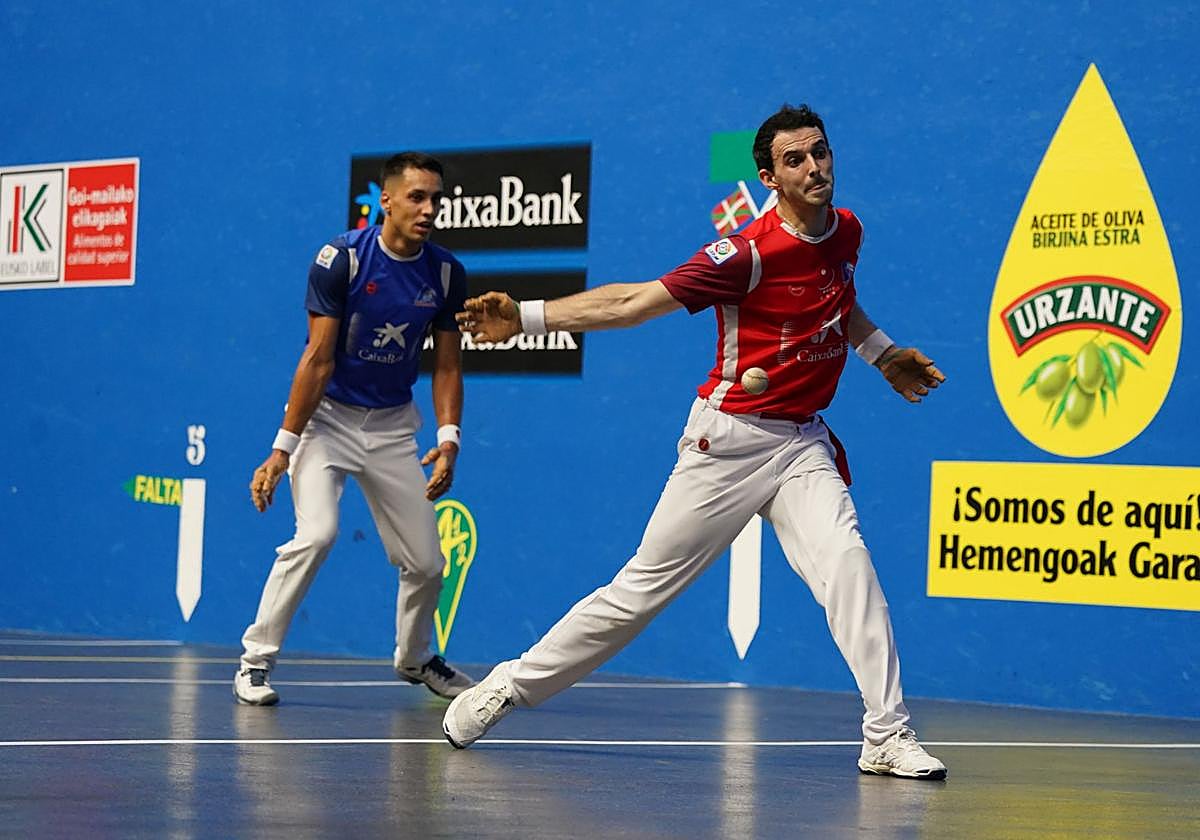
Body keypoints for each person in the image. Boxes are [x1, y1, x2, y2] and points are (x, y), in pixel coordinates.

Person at [443, 105, 948, 779]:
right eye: (795, 160)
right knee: (637, 595)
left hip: (801, 446)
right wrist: (528, 317)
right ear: (769, 176)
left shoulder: (847, 230)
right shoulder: (745, 254)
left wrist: (882, 354)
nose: (815, 167)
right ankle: (506, 687)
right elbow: (631, 304)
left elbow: (838, 301)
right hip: (728, 442)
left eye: (821, 152)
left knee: (849, 567)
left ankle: (886, 734)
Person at [234, 152, 474, 706]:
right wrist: (282, 450)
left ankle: (415, 659)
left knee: (427, 563)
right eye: (417, 197)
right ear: (385, 200)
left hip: (392, 431)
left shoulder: (444, 273)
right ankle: (255, 662)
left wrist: (448, 439)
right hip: (328, 424)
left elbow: (447, 365)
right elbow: (318, 358)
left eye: (436, 198)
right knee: (316, 534)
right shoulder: (340, 259)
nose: (429, 208)